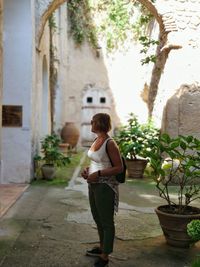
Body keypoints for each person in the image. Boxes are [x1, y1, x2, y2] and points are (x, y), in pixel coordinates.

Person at [81, 113, 123, 267]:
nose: (91, 122)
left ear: (101, 123)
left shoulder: (110, 143)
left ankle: (105, 256)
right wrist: (87, 170)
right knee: (97, 218)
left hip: (105, 187)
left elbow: (119, 167)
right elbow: (98, 161)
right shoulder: (96, 139)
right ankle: (101, 247)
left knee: (106, 222)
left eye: (94, 121)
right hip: (93, 184)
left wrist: (97, 174)